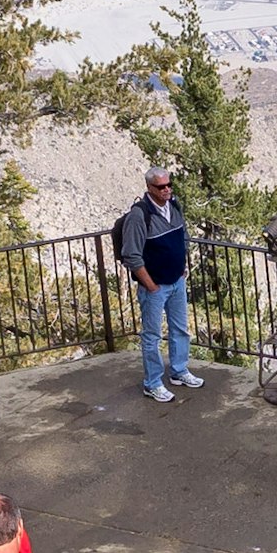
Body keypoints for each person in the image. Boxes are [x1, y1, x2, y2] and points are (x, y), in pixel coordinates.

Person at [114, 162, 200, 404]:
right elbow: (131, 254)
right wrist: (150, 285)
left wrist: (183, 267)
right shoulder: (139, 216)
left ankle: (179, 371)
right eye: (161, 186)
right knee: (152, 336)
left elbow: (182, 237)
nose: (167, 190)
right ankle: (152, 383)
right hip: (155, 287)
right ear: (149, 187)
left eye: (169, 185)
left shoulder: (174, 206)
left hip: (176, 282)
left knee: (180, 329)